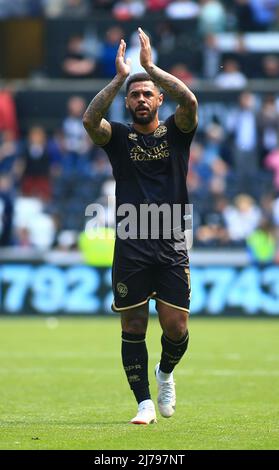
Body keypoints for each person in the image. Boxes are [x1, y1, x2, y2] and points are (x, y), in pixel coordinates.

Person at [83, 28, 198, 425]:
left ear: (159, 99)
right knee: (133, 324)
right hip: (131, 243)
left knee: (176, 326)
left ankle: (165, 374)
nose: (142, 98)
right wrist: (119, 78)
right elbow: (89, 119)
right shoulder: (117, 136)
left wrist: (150, 67)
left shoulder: (178, 131)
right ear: (128, 103)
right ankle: (144, 403)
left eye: (148, 93)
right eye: (135, 94)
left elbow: (190, 100)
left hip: (170, 241)